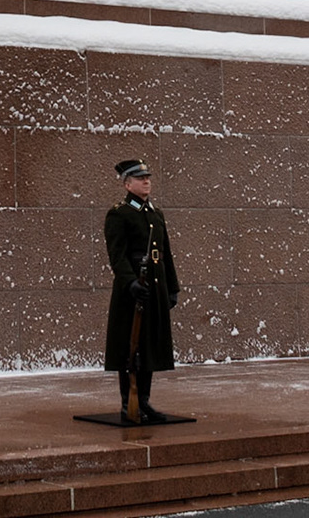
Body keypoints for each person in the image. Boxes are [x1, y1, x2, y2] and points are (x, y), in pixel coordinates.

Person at [103, 159, 179, 424]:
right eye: (139, 178)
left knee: (148, 346)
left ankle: (143, 401)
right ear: (127, 184)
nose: (146, 181)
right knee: (130, 347)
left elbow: (165, 253)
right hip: (132, 291)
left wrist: (171, 287)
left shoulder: (155, 214)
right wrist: (130, 282)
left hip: (154, 287)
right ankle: (129, 403)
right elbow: (117, 256)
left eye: (148, 177)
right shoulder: (119, 214)